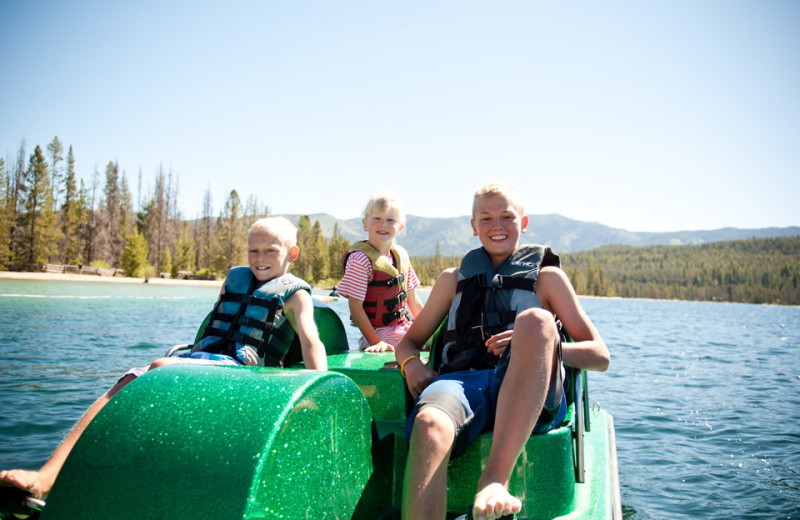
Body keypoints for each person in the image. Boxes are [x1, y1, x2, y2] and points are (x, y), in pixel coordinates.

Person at [0, 216, 328, 502]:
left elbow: (310, 339)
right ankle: (48, 476)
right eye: (253, 251)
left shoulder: (296, 294)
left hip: (245, 371)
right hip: (207, 358)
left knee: (161, 368)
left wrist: (318, 389)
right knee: (129, 379)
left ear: (292, 254)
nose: (260, 259)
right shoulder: (235, 280)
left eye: (271, 250)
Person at [394, 183, 610, 520]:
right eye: (487, 218)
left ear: (523, 223)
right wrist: (411, 365)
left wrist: (537, 346)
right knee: (428, 421)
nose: (497, 226)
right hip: (463, 385)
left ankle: (495, 479)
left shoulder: (548, 278)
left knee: (536, 322)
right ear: (473, 226)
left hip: (533, 393)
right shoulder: (453, 280)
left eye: (507, 217)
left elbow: (600, 355)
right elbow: (409, 342)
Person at [338, 192, 424, 352]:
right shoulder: (360, 260)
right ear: (365, 224)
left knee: (440, 341)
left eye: (390, 220)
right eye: (377, 218)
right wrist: (376, 342)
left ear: (400, 228)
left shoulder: (402, 256)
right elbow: (355, 307)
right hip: (379, 334)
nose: (383, 224)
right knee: (418, 347)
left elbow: (413, 301)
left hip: (403, 327)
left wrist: (431, 330)